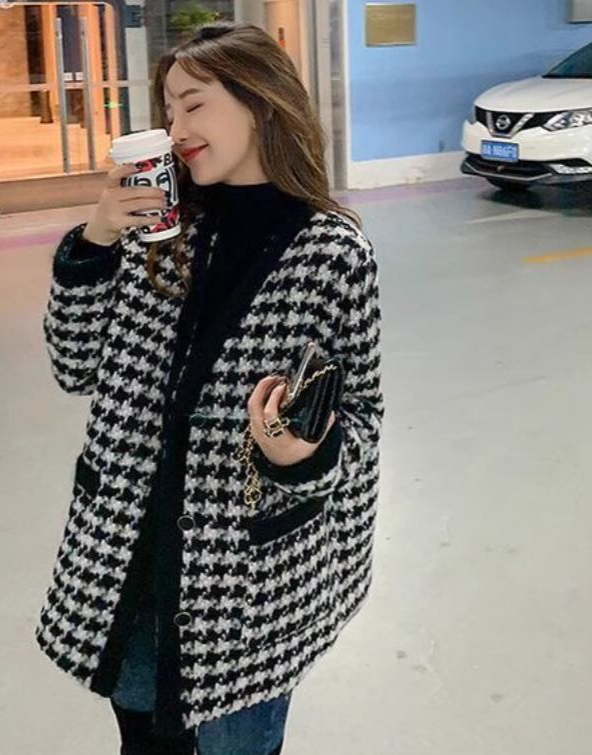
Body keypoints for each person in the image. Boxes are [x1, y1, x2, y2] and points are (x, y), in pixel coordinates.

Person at [34, 21, 384, 755]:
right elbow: (74, 366)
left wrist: (301, 454)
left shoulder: (331, 253)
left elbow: (360, 420)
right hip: (132, 557)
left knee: (238, 744)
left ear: (259, 101)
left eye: (194, 104)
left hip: (248, 580)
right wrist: (95, 239)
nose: (176, 129)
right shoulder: (155, 230)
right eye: (168, 110)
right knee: (142, 734)